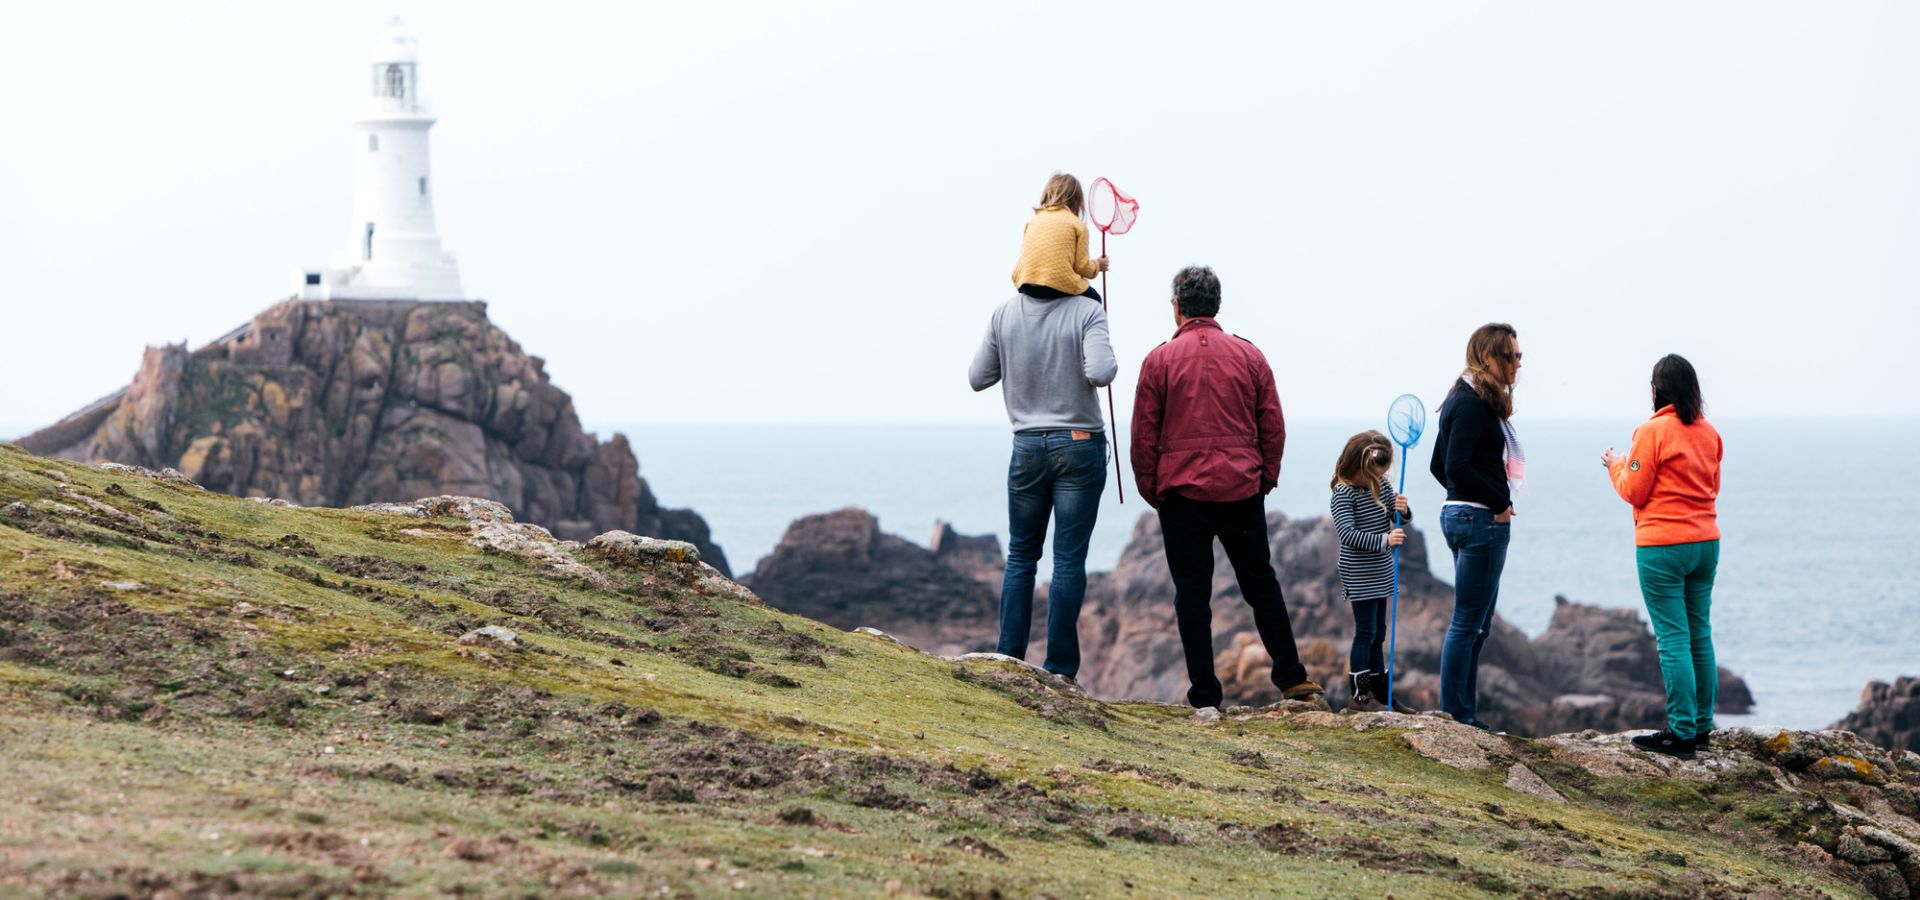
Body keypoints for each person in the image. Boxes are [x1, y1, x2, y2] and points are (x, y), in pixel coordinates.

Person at [1131, 265, 1323, 709]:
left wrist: (1153, 491)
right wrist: (1264, 478)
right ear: (1216, 306)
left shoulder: (1158, 361)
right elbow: (1272, 426)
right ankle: (1292, 676)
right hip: (1241, 490)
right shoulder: (1250, 356)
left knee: (1193, 595)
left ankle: (1205, 694)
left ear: (1177, 308)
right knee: (1261, 583)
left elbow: (1144, 437)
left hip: (1181, 496)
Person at [968, 222, 1119, 683]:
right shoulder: (1087, 311)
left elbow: (978, 377)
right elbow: (1103, 370)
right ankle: (1059, 671)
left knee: (1020, 556)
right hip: (1078, 444)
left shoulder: (1004, 314)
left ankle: (1007, 660)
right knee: (1068, 560)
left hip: (1028, 445)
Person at [1603, 354, 1723, 759]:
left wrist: (1615, 465)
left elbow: (1634, 490)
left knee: (1673, 638)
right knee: (1699, 634)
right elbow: (1713, 486)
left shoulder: (1651, 431)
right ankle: (1703, 726)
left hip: (1662, 546)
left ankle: (1681, 731)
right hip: (1705, 543)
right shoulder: (1710, 434)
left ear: (1656, 392)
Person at [1428, 323, 1523, 730]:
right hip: (1478, 520)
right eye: (1510, 356)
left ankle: (1464, 713)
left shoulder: (1462, 398)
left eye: (1520, 356)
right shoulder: (1471, 404)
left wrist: (1462, 498)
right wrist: (1498, 502)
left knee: (1476, 624)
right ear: (1488, 357)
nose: (1517, 364)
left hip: (1463, 516)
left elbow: (1440, 466)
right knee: (1468, 623)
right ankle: (1458, 716)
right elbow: (1455, 466)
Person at [1330, 431, 1414, 713]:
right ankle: (1360, 696)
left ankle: (1382, 691)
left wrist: (1404, 510)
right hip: (1358, 571)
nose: (1377, 480)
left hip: (1382, 569)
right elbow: (1347, 534)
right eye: (1372, 475)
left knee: (1379, 631)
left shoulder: (1382, 486)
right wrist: (1384, 540)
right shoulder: (1343, 495)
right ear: (1357, 466)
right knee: (1365, 632)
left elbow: (1394, 514)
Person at [1010, 173, 1109, 302]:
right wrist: (1097, 266)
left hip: (1025, 283)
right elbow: (1082, 267)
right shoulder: (1077, 225)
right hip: (1056, 286)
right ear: (1078, 202)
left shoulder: (1033, 221)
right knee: (1095, 299)